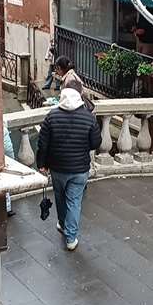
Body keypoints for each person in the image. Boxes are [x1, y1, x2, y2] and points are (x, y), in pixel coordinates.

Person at [36, 87, 101, 251]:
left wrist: (41, 164)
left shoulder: (51, 116)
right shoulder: (89, 117)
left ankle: (62, 224)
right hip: (80, 169)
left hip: (57, 167)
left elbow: (42, 144)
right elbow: (96, 143)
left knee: (60, 197)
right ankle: (71, 238)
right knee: (74, 201)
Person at [3, 120, 15, 216]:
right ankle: (8, 208)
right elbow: (8, 149)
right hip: (7, 160)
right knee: (6, 185)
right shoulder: (4, 130)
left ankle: (6, 207)